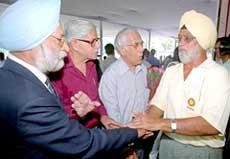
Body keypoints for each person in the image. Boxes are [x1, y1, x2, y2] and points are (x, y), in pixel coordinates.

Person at [0, 0, 151, 158]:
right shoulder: (31, 98)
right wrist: (134, 132)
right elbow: (79, 142)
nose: (65, 48)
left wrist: (99, 115)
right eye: (59, 40)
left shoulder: (13, 77)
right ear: (36, 42)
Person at [128, 10, 230, 159]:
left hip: (201, 151)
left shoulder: (218, 74)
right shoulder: (171, 71)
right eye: (179, 38)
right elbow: (158, 106)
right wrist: (146, 121)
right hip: (168, 146)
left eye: (187, 38)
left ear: (202, 42)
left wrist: (160, 124)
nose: (180, 43)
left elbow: (211, 124)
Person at [50, 19, 117, 129]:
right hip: (73, 134)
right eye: (93, 41)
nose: (98, 45)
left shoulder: (92, 65)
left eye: (98, 40)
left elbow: (95, 98)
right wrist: (79, 114)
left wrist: (103, 116)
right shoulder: (57, 70)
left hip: (96, 129)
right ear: (75, 44)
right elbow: (56, 113)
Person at [99, 27, 151, 159]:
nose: (141, 49)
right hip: (121, 146)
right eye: (136, 45)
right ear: (122, 50)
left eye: (141, 44)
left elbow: (145, 104)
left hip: (142, 140)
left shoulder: (143, 70)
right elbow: (113, 121)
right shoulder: (111, 77)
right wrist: (126, 148)